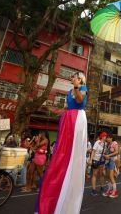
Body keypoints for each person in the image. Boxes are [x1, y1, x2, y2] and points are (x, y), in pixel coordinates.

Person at [36, 72, 88, 214]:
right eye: (71, 76)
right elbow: (69, 106)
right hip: (67, 119)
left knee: (73, 153)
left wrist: (77, 87)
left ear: (80, 79)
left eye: (74, 76)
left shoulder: (82, 88)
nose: (71, 77)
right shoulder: (69, 92)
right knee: (62, 151)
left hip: (77, 119)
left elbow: (78, 101)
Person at [103, 134, 119, 198]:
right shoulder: (108, 144)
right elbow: (106, 153)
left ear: (112, 138)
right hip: (107, 161)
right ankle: (109, 190)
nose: (107, 139)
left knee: (111, 176)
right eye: (107, 138)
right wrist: (105, 155)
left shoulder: (115, 143)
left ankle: (115, 191)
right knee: (107, 176)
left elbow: (117, 152)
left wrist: (108, 156)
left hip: (112, 161)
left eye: (108, 138)